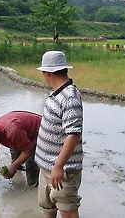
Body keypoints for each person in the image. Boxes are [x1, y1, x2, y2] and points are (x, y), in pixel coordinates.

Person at [35, 51, 83, 218]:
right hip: (46, 168)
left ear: (47, 73)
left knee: (68, 212)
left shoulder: (69, 97)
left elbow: (73, 133)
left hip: (63, 171)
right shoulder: (56, 93)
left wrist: (58, 166)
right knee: (47, 210)